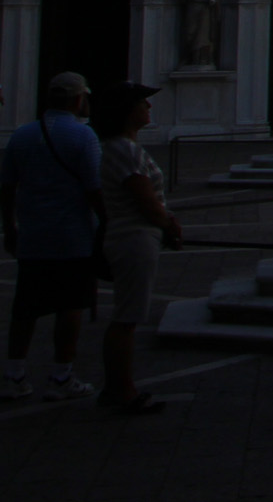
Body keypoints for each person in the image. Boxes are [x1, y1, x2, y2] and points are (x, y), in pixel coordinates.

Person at [0, 71, 101, 401]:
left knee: (25, 307)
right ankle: (61, 375)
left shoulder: (22, 135)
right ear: (77, 99)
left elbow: (6, 188)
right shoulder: (83, 136)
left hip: (33, 234)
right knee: (70, 306)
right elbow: (94, 188)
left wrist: (9, 228)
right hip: (73, 236)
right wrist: (108, 224)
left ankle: (15, 375)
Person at [97, 83, 182, 414]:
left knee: (128, 315)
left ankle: (120, 387)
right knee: (127, 317)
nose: (148, 105)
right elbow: (145, 199)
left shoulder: (123, 147)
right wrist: (169, 224)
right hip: (134, 236)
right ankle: (121, 390)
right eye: (141, 101)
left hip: (135, 235)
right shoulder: (123, 150)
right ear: (126, 110)